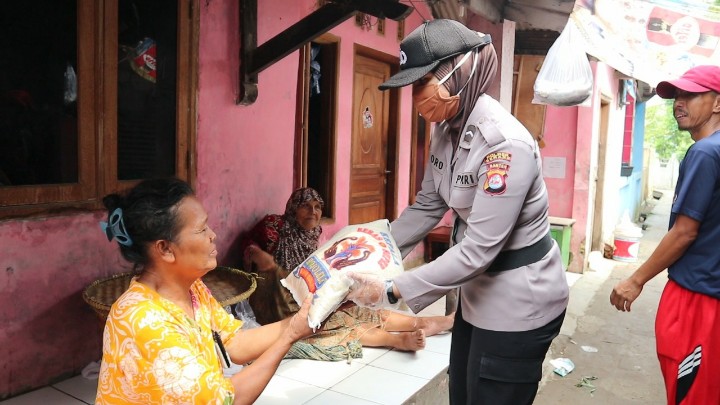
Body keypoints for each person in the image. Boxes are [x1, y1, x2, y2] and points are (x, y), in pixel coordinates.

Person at [345, 19, 569, 404]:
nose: (416, 96)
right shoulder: (447, 129)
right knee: (463, 393)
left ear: (460, 70)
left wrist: (391, 289)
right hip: (476, 297)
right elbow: (428, 205)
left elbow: (479, 250)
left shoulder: (504, 145)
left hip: (518, 302)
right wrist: (368, 248)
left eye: (422, 82)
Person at [95, 178, 315, 405]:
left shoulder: (192, 289)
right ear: (165, 249)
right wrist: (289, 336)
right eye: (201, 229)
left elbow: (235, 343)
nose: (213, 235)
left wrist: (301, 321)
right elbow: (225, 400)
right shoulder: (142, 319)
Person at [610, 65, 720, 405]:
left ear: (717, 103)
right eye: (677, 96)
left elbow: (685, 232)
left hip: (698, 297)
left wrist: (635, 279)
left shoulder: (706, 152)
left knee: (689, 392)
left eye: (691, 95)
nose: (679, 103)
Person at [240, 187, 454, 360]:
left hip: (308, 295)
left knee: (357, 309)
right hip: (277, 302)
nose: (313, 212)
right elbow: (249, 250)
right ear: (293, 209)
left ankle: (425, 323)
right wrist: (264, 262)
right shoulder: (274, 228)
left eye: (317, 207)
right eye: (305, 206)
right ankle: (396, 340)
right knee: (336, 323)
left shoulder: (312, 232)